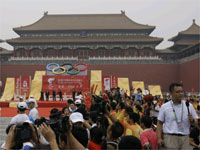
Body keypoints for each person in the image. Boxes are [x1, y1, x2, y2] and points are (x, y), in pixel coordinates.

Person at [157, 83, 199, 150]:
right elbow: (159, 124)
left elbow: (197, 122)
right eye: (177, 92)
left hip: (185, 137)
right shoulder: (165, 107)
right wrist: (159, 138)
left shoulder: (189, 106)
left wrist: (193, 120)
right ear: (171, 93)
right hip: (170, 137)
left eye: (181, 91)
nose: (180, 94)